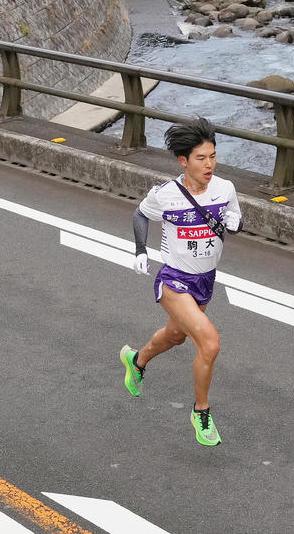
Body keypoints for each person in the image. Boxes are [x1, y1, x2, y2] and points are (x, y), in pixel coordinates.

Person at [120, 118, 242, 447]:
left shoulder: (225, 189)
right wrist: (140, 251)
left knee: (175, 336)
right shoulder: (166, 195)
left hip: (205, 280)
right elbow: (141, 215)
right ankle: (201, 412)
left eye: (213, 156)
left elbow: (234, 221)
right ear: (183, 160)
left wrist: (236, 221)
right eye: (201, 158)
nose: (209, 165)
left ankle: (137, 360)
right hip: (174, 279)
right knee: (210, 343)